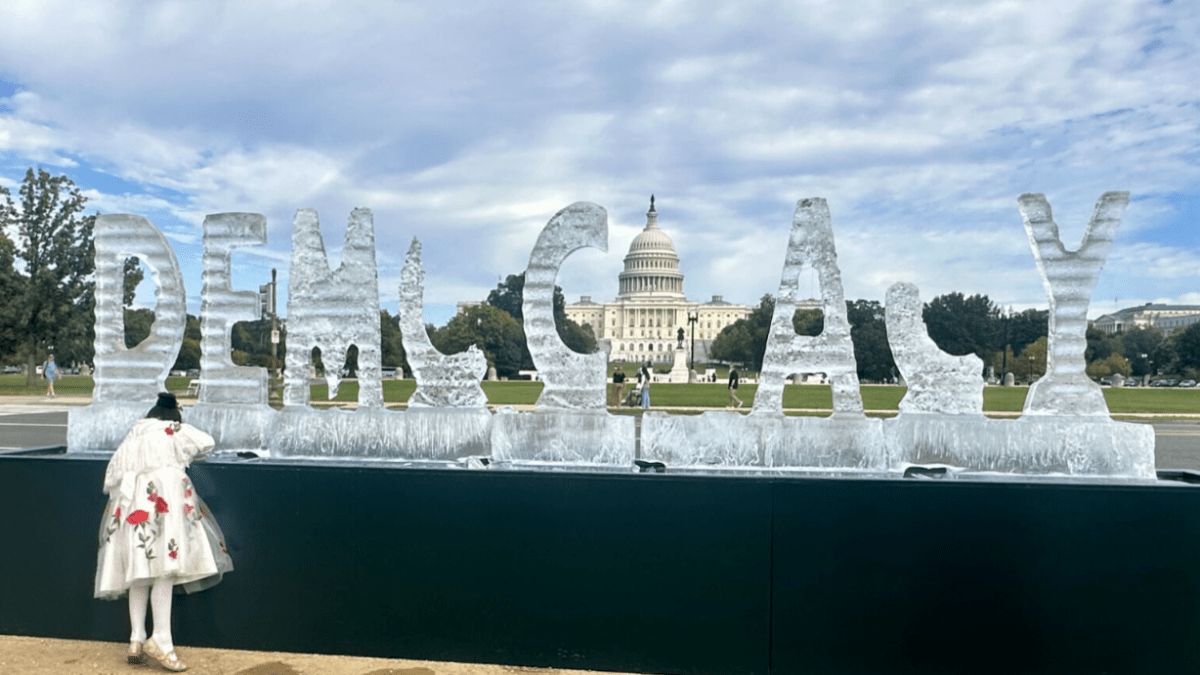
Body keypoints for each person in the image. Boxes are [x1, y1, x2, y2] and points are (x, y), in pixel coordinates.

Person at [95, 393, 233, 672]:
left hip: (134, 506)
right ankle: (162, 640)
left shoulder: (133, 436)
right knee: (165, 571)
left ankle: (136, 638)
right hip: (164, 503)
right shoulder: (172, 431)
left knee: (139, 572)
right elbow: (206, 442)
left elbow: (111, 477)